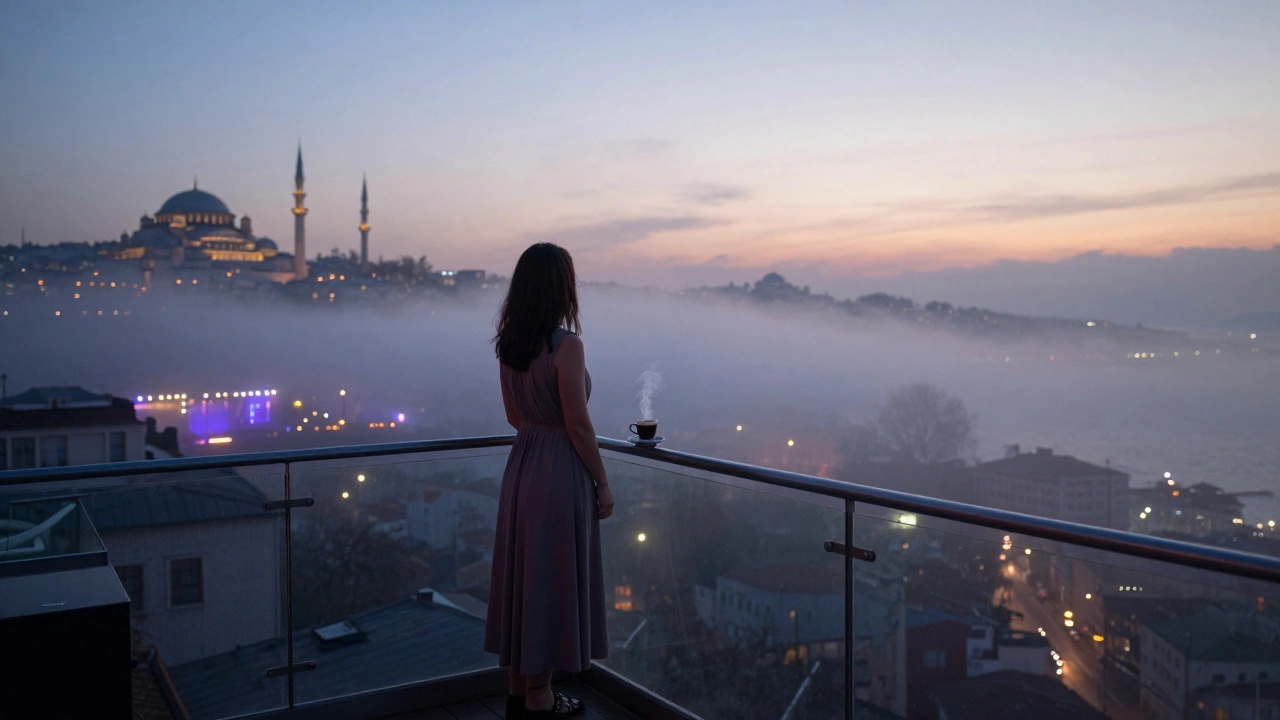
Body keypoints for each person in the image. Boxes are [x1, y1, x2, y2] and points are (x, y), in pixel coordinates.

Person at [485, 243, 614, 719]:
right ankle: (541, 696)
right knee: (551, 580)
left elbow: (515, 417)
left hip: (521, 470)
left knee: (526, 579)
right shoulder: (567, 346)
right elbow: (578, 425)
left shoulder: (510, 345)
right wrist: (602, 483)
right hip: (559, 472)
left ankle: (521, 691)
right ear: (563, 287)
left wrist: (540, 435)